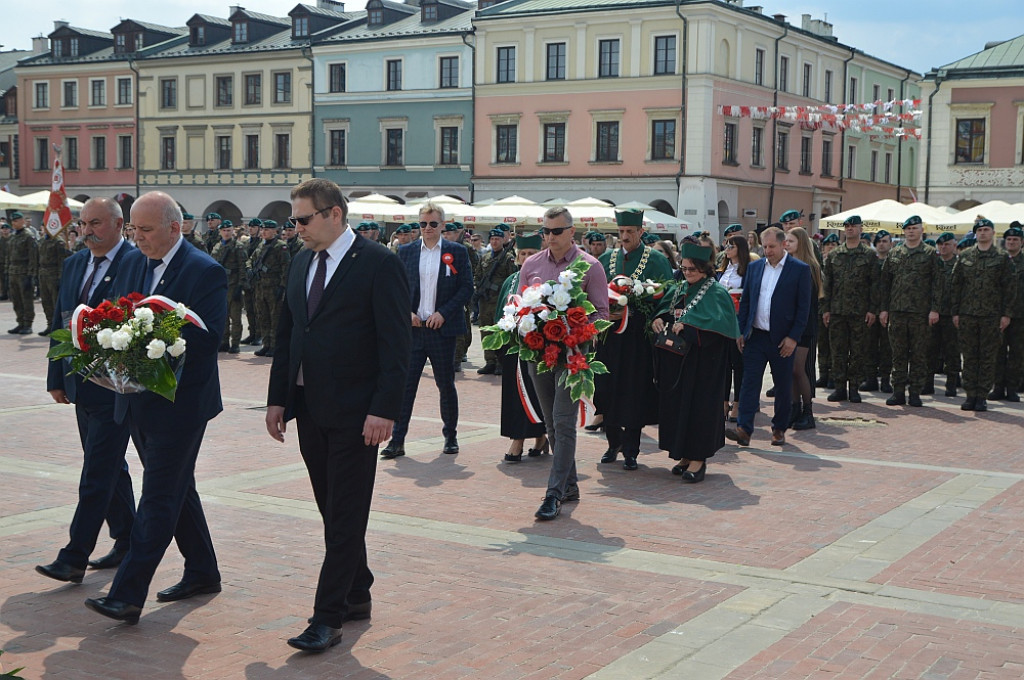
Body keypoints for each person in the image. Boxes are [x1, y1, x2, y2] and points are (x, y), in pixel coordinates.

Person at [265, 178, 410, 653]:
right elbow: (288, 335)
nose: (297, 228)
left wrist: (385, 410)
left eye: (303, 220)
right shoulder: (301, 261)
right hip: (310, 409)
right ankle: (358, 589)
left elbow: (396, 346)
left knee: (345, 515)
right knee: (333, 509)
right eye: (294, 220)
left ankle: (327, 618)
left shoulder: (378, 263)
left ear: (334, 214)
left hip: (357, 415)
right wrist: (278, 399)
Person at [84, 191, 227, 625]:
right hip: (134, 400)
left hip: (180, 405)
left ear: (174, 227)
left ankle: (127, 595)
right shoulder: (131, 262)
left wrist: (157, 347)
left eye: (146, 230)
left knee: (160, 495)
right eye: (133, 229)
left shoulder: (205, 271)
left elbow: (208, 340)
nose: (138, 238)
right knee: (178, 487)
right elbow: (117, 318)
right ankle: (202, 570)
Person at [36, 197, 142, 587]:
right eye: (83, 224)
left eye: (96, 223)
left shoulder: (136, 263)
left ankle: (74, 555)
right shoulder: (74, 264)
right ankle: (126, 537)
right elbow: (60, 319)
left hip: (117, 387)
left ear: (118, 225)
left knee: (97, 470)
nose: (87, 231)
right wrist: (55, 375)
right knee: (110, 465)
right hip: (82, 382)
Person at [519, 206, 609, 520]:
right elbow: (519, 306)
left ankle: (553, 494)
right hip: (538, 355)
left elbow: (601, 315)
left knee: (563, 421)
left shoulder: (590, 266)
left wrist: (578, 331)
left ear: (572, 232)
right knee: (551, 424)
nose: (550, 237)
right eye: (546, 231)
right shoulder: (531, 264)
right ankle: (569, 485)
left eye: (556, 231)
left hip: (572, 356)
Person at [380, 202, 474, 459]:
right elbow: (395, 288)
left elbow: (466, 288)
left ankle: (450, 436)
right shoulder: (407, 251)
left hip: (442, 330)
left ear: (442, 225)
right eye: (423, 224)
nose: (428, 228)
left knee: (446, 385)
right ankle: (397, 440)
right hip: (413, 330)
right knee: (406, 386)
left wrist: (443, 313)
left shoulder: (457, 252)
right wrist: (406, 312)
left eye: (433, 224)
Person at [652, 242, 740, 481]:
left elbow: (721, 326)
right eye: (685, 268)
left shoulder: (716, 292)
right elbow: (664, 311)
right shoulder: (680, 287)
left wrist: (691, 327)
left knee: (699, 410)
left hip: (704, 366)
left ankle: (699, 458)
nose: (688, 273)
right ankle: (684, 454)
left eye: (693, 269)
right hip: (679, 364)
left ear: (705, 269)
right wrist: (658, 320)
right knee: (679, 409)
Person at [596, 209, 673, 470]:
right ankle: (612, 442)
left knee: (633, 391)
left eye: (630, 232)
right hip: (609, 338)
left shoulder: (656, 260)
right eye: (621, 232)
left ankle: (631, 449)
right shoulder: (606, 258)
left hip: (637, 340)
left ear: (641, 232)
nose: (625, 236)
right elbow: (594, 292)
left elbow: (668, 292)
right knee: (607, 388)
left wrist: (650, 313)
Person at [725, 226, 811, 448]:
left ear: (783, 244)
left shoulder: (799, 270)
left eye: (772, 246)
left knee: (782, 386)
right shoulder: (754, 268)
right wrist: (741, 332)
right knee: (749, 383)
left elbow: (804, 309)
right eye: (764, 246)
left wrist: (793, 338)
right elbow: (746, 303)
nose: (768, 251)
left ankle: (779, 428)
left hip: (782, 339)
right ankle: (744, 429)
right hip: (756, 336)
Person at [950, 217, 1015, 411]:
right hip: (967, 314)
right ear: (975, 234)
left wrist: (1006, 314)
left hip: (991, 315)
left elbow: (1009, 289)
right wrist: (955, 312)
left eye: (987, 230)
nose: (983, 233)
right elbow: (956, 285)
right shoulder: (965, 256)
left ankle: (982, 395)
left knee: (988, 357)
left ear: (993, 233)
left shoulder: (1002, 258)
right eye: (979, 230)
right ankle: (970, 395)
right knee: (969, 356)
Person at [879, 216, 941, 407]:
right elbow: (885, 283)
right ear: (904, 231)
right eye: (908, 229)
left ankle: (915, 392)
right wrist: (883, 309)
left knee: (918, 354)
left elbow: (937, 284)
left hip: (920, 313)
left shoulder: (930, 254)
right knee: (898, 354)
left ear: (921, 230)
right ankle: (898, 392)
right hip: (897, 312)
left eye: (914, 228)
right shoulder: (895, 252)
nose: (911, 231)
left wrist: (935, 309)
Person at [497, 233, 548, 463]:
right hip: (513, 348)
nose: (527, 258)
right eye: (523, 254)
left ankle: (540, 436)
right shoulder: (510, 281)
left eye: (531, 254)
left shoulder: (546, 282)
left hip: (538, 348)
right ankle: (517, 438)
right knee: (515, 396)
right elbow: (500, 312)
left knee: (538, 395)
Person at [822, 216, 879, 403]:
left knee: (857, 352)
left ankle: (854, 387)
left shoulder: (869, 255)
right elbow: (827, 285)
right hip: (837, 311)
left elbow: (875, 285)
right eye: (846, 226)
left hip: (859, 312)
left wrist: (872, 310)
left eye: (853, 226)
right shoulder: (835, 254)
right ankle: (839, 388)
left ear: (861, 228)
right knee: (837, 351)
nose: (849, 229)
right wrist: (826, 309)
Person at [782, 227, 822, 429]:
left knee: (798, 369)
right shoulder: (786, 265)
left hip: (804, 325)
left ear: (801, 243)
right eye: (786, 240)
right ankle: (794, 408)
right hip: (788, 325)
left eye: (791, 241)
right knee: (789, 370)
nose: (786, 244)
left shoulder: (810, 266)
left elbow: (806, 301)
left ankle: (808, 411)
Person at [716, 234, 753, 423]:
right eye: (726, 246)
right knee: (723, 365)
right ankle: (723, 402)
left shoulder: (747, 271)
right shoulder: (722, 270)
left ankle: (737, 403)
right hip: (722, 322)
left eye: (731, 246)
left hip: (738, 322)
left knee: (738, 365)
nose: (727, 249)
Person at [474, 228, 517, 375]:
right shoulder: (485, 257)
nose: (494, 242)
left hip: (500, 303)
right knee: (486, 331)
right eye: (492, 239)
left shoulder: (508, 257)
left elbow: (512, 278)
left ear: (502, 240)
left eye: (497, 239)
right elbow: (478, 275)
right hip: (485, 302)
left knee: (500, 332)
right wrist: (478, 288)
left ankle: (500, 362)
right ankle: (489, 361)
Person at [990, 223, 1024, 401]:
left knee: (1017, 354)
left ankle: (1012, 388)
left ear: (1021, 242)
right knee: (998, 352)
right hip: (998, 314)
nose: (1011, 242)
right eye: (1009, 239)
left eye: (1015, 240)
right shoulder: (998, 260)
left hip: (1020, 316)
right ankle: (998, 387)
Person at [249, 220, 291, 357]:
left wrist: (282, 286)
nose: (264, 232)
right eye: (263, 229)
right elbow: (250, 260)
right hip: (260, 287)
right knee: (263, 317)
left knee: (275, 319)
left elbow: (286, 268)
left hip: (274, 288)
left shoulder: (280, 247)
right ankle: (266, 345)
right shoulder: (261, 246)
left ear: (275, 231)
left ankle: (274, 346)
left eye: (267, 229)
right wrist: (249, 269)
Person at [862, 230, 894, 393]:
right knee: (869, 346)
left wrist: (886, 309)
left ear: (891, 243)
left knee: (887, 347)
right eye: (879, 241)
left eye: (885, 241)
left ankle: (886, 380)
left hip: (889, 312)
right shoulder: (870, 262)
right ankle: (870, 379)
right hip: (871, 311)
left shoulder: (896, 262)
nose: (882, 244)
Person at [929, 233, 961, 397]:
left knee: (952, 351)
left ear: (954, 246)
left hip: (951, 315)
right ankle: (927, 384)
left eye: (947, 244)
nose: (943, 247)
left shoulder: (960, 264)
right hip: (933, 314)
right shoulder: (933, 264)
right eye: (940, 244)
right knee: (929, 350)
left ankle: (951, 384)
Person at [211, 221, 248, 354]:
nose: (226, 233)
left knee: (236, 317)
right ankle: (224, 342)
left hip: (233, 285)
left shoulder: (238, 247)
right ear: (220, 231)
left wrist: (240, 286)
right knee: (223, 317)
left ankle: (235, 343)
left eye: (229, 230)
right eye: (224, 230)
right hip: (221, 287)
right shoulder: (217, 246)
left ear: (233, 231)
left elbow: (243, 267)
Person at [6, 212, 38, 334]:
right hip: (13, 272)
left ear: (22, 221)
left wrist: (31, 275)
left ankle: (28, 324)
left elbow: (33, 257)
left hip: (24, 272)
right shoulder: (13, 236)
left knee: (26, 299)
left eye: (16, 221)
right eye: (12, 221)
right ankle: (20, 322)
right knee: (16, 299)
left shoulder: (28, 236)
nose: (14, 223)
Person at [815, 233, 840, 389]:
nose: (830, 247)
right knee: (822, 344)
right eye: (828, 245)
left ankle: (833, 375)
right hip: (819, 308)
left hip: (834, 308)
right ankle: (823, 374)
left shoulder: (839, 263)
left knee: (834, 344)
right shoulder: (818, 264)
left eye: (833, 245)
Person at [37, 230, 72, 336]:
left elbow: (62, 261)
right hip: (43, 274)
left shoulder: (59, 242)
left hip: (54, 275)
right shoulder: (42, 240)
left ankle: (59, 327)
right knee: (46, 301)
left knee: (56, 302)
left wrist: (60, 278)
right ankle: (50, 325)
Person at [241, 218, 263, 345]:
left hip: (258, 280)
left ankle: (259, 335)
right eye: (250, 227)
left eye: (254, 227)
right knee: (249, 308)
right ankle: (252, 333)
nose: (251, 229)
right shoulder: (246, 243)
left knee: (258, 309)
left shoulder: (262, 244)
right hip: (247, 279)